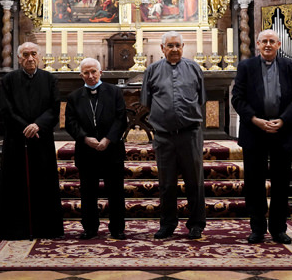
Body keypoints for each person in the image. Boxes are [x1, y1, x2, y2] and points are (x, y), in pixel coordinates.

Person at [231, 29, 292, 245]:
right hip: (254, 131)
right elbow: (238, 98)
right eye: (264, 41)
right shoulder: (246, 67)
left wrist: (282, 120)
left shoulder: (291, 67)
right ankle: (257, 228)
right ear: (258, 44)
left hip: (283, 131)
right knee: (254, 183)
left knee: (281, 183)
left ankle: (279, 229)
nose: (268, 45)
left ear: (279, 45)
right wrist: (255, 120)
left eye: (272, 41)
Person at [141, 31, 206, 240]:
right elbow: (146, 102)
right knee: (167, 183)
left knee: (194, 181)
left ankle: (196, 224)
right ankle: (168, 223)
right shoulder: (152, 71)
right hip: (163, 136)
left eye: (178, 45)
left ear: (183, 46)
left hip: (190, 134)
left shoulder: (194, 68)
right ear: (162, 48)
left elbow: (201, 98)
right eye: (170, 46)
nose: (175, 49)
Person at [0, 42, 64, 240]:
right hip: (16, 139)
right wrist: (25, 127)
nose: (30, 58)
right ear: (19, 58)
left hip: (41, 138)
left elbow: (54, 107)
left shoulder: (49, 79)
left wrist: (38, 125)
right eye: (25, 54)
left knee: (44, 182)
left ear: (39, 56)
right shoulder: (8, 80)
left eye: (33, 54)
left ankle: (46, 228)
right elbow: (6, 109)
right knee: (15, 184)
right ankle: (16, 229)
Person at [65, 58, 127, 239]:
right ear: (81, 75)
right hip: (86, 151)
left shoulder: (114, 92)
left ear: (101, 72)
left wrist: (108, 139)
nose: (90, 76)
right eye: (86, 73)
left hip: (112, 150)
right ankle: (90, 228)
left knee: (115, 192)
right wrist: (84, 138)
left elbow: (121, 118)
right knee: (88, 193)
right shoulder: (74, 97)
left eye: (93, 72)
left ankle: (117, 229)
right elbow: (70, 122)